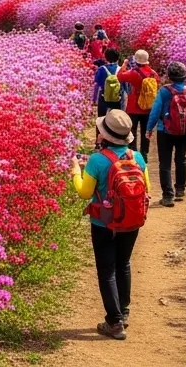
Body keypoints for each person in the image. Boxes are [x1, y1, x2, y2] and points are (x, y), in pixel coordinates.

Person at [72, 109, 150, 340]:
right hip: (131, 221)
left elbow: (85, 193)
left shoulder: (97, 160)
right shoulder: (137, 157)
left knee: (107, 271)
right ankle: (123, 313)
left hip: (103, 224)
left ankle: (114, 322)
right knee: (123, 264)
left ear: (103, 135)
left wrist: (76, 171)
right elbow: (147, 189)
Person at [146, 61, 186, 207]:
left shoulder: (164, 91)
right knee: (181, 159)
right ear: (185, 76)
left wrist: (149, 128)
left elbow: (155, 111)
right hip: (184, 131)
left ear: (169, 76)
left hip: (164, 131)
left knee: (165, 163)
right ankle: (180, 189)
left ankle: (167, 196)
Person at [117, 50, 158, 157]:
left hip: (133, 107)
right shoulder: (153, 73)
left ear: (136, 60)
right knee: (146, 131)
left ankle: (133, 153)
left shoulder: (133, 73)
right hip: (148, 107)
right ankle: (144, 153)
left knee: (133, 131)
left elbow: (119, 76)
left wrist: (125, 64)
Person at [93, 48, 121, 117]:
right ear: (117, 58)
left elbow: (97, 85)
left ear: (106, 58)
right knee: (115, 120)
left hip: (103, 97)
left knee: (101, 119)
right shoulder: (120, 69)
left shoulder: (101, 69)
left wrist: (94, 99)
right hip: (116, 98)